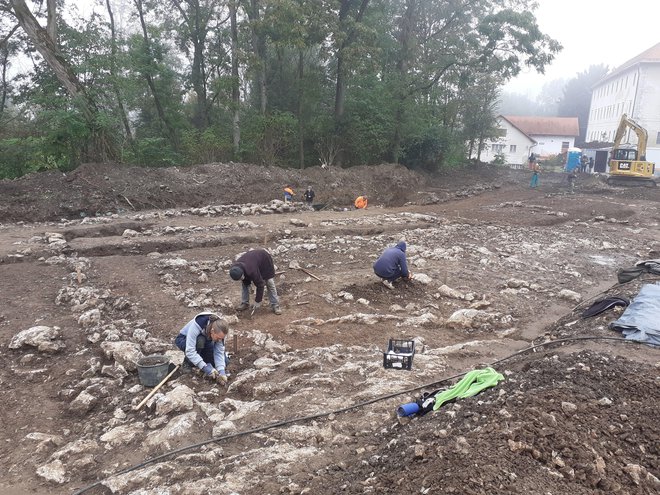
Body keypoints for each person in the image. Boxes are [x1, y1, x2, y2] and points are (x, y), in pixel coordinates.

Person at [174, 312, 229, 384]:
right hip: (184, 340)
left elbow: (218, 352)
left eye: (221, 339)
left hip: (206, 342)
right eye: (218, 338)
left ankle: (201, 360)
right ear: (212, 331)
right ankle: (187, 363)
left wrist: (221, 371)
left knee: (225, 361)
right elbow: (190, 350)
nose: (219, 340)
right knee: (200, 340)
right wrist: (204, 367)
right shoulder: (198, 323)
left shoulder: (220, 330)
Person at [229, 248, 282, 315]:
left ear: (242, 273)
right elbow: (244, 278)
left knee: (269, 282)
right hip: (253, 260)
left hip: (265, 260)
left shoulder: (252, 270)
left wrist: (258, 301)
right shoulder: (235, 268)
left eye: (241, 277)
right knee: (244, 284)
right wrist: (248, 285)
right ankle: (245, 303)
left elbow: (260, 285)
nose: (241, 279)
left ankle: (275, 305)